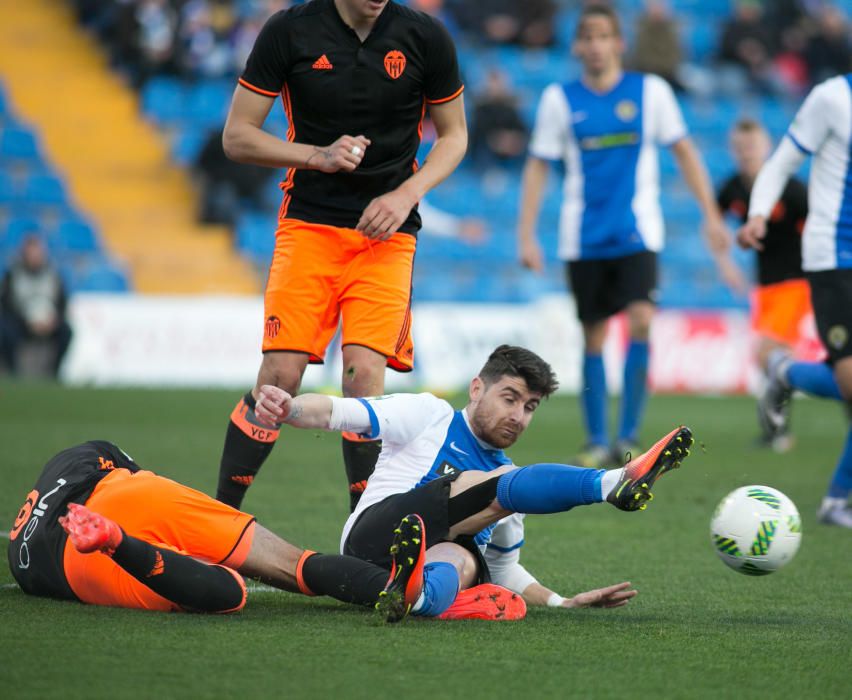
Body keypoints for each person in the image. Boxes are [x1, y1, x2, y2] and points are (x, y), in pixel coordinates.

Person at [216, 0, 467, 514]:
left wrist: (406, 195)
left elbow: (455, 135)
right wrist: (317, 156)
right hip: (309, 227)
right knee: (279, 380)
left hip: (387, 237)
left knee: (363, 381)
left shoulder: (425, 36)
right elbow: (236, 137)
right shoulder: (289, 31)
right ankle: (220, 517)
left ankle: (364, 530)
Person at [254, 344, 693, 618]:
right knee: (497, 483)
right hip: (373, 540)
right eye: (511, 398)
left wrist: (563, 602)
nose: (519, 416)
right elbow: (338, 413)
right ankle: (611, 482)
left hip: (416, 568)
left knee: (463, 558)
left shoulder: (516, 486)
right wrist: (289, 408)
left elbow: (504, 570)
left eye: (531, 407)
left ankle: (417, 599)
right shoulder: (431, 415)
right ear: (477, 388)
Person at [516, 4, 730, 467]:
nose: (594, 46)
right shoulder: (559, 99)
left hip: (637, 233)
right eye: (586, 37)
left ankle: (629, 435)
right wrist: (526, 233)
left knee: (641, 320)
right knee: (593, 337)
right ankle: (597, 438)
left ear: (619, 43)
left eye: (603, 37)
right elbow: (537, 165)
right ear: (577, 46)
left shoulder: (649, 92)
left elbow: (686, 152)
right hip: (583, 238)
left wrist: (711, 215)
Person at [7, 439, 427, 619]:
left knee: (229, 593)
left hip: (73, 557)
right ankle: (408, 590)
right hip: (143, 495)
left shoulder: (20, 557)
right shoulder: (85, 455)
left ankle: (119, 544)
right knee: (296, 564)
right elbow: (136, 472)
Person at [739, 73, 852, 528]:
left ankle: (783, 372)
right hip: (834, 256)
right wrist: (759, 214)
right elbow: (781, 162)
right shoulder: (832, 97)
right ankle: (784, 371)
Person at [716, 118, 809, 451]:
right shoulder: (733, 187)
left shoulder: (791, 189)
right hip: (766, 287)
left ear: (767, 147)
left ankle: (778, 429)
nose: (746, 154)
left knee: (767, 352)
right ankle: (777, 429)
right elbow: (713, 223)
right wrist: (725, 265)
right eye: (740, 148)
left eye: (752, 146)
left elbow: (818, 225)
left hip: (796, 282)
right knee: (772, 359)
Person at [0, 234, 73, 378]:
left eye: (37, 252)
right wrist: (26, 321)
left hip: (48, 323)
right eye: (31, 252)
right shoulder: (13, 275)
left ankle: (54, 373)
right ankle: (14, 373)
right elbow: (5, 305)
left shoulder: (53, 275)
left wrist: (53, 321)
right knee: (5, 332)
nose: (35, 256)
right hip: (21, 323)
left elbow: (62, 303)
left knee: (66, 331)